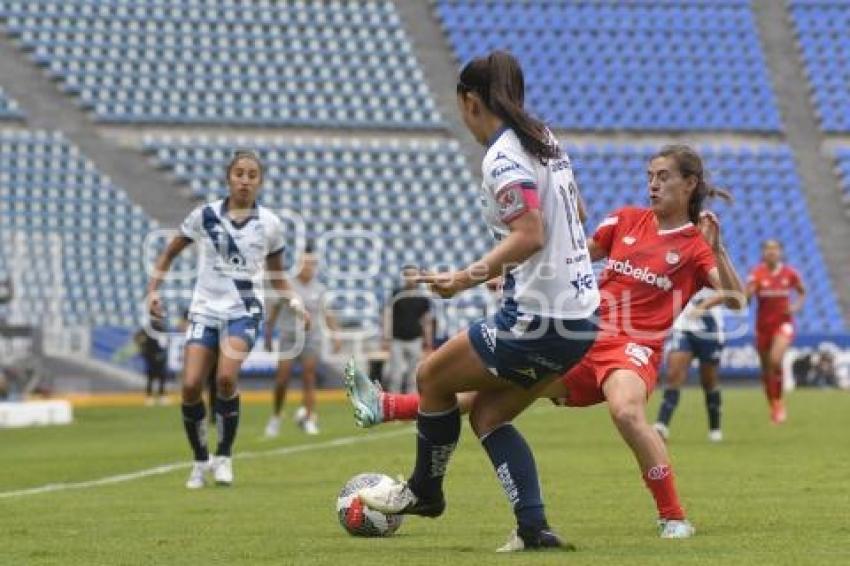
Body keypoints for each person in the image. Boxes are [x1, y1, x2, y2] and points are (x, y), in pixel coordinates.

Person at [346, 144, 745, 540]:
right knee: (489, 400)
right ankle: (387, 407)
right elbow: (571, 257)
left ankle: (673, 517)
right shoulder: (625, 220)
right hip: (580, 336)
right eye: (650, 177)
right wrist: (513, 275)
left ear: (690, 184)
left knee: (626, 412)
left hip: (632, 348)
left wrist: (719, 249)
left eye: (664, 177)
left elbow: (736, 298)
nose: (653, 185)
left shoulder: (695, 246)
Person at [350, 51, 601, 552]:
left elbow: (530, 234)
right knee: (489, 417)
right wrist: (512, 270)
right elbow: (576, 212)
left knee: (431, 376)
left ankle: (425, 491)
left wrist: (463, 279)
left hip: (539, 320)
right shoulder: (545, 140)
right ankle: (533, 527)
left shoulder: (503, 155)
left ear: (469, 101)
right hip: (580, 320)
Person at [147, 150, 308, 489]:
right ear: (228, 178)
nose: (245, 180)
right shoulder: (204, 216)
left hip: (244, 312)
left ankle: (224, 456)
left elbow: (278, 276)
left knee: (224, 379)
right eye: (239, 173)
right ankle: (199, 460)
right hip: (205, 310)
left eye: (252, 175)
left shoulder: (271, 224)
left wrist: (295, 302)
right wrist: (153, 291)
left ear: (260, 181)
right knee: (190, 385)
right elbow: (170, 252)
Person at [263, 246, 341, 437]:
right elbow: (274, 311)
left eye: (312, 263)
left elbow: (327, 313)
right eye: (305, 263)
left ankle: (308, 418)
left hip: (311, 338)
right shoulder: (286, 286)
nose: (309, 267)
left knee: (309, 377)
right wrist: (268, 333)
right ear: (299, 264)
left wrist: (336, 334)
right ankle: (276, 415)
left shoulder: (320, 289)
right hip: (288, 337)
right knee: (282, 379)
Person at [654, 288, 727, 442]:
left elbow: (727, 292)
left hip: (710, 330)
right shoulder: (676, 264)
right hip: (683, 327)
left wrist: (703, 306)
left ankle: (715, 428)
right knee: (674, 374)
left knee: (709, 381)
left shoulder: (714, 267)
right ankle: (661, 425)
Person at [746, 240, 806, 423]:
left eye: (775, 249)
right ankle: (773, 404)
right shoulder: (756, 273)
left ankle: (779, 402)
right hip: (763, 327)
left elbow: (802, 292)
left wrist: (795, 307)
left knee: (775, 360)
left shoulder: (790, 273)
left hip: (783, 324)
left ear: (780, 252)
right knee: (766, 369)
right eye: (768, 249)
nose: (771, 252)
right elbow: (746, 299)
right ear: (763, 253)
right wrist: (747, 292)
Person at [383, 266, 433, 393]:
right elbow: (388, 316)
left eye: (413, 275)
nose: (411, 278)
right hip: (397, 339)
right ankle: (393, 402)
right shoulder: (397, 294)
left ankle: (411, 403)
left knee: (414, 375)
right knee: (396, 374)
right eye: (408, 275)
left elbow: (426, 320)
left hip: (415, 339)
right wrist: (386, 337)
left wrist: (428, 340)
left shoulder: (422, 297)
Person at [113, 319, 170, 406]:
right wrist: (143, 348)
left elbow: (165, 342)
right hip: (150, 356)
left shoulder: (162, 329)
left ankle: (161, 396)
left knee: (161, 376)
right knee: (151, 377)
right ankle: (150, 397)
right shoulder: (147, 329)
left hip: (160, 356)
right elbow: (137, 338)